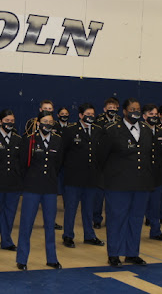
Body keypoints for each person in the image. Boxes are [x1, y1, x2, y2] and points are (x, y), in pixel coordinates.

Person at [98, 98, 154, 267]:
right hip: (118, 185)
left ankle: (132, 253)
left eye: (138, 109)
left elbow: (148, 157)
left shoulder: (146, 130)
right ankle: (114, 253)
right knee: (116, 219)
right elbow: (101, 157)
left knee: (136, 220)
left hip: (140, 185)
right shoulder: (112, 130)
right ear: (124, 111)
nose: (135, 112)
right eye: (132, 109)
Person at [16, 111, 63, 271]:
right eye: (44, 121)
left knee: (50, 225)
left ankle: (52, 258)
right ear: (37, 123)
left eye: (50, 121)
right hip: (32, 188)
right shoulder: (29, 140)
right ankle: (22, 259)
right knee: (26, 224)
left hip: (50, 188)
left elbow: (58, 164)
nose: (47, 124)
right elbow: (22, 164)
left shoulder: (57, 140)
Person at [61, 103, 105, 248]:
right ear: (80, 115)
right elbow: (62, 153)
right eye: (87, 114)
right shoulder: (70, 130)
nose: (90, 117)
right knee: (71, 209)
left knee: (88, 209)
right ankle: (68, 235)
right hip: (73, 178)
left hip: (92, 177)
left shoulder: (99, 130)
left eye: (92, 114)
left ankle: (89, 235)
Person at [0, 109, 23, 253]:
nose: (9, 123)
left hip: (13, 184)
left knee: (10, 213)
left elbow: (20, 162)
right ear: (0, 122)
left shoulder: (18, 139)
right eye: (6, 120)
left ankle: (6, 241)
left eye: (12, 121)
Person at [142, 104, 162, 242]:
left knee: (155, 206)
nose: (153, 117)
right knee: (138, 207)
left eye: (155, 114)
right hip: (141, 176)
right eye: (150, 114)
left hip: (157, 175)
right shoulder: (139, 131)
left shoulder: (161, 132)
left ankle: (156, 231)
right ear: (144, 116)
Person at [93, 97, 121, 229]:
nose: (112, 110)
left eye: (114, 108)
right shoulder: (98, 121)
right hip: (102, 160)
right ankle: (97, 218)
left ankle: (112, 219)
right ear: (104, 109)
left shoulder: (121, 122)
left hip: (115, 162)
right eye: (110, 108)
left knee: (113, 195)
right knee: (99, 194)